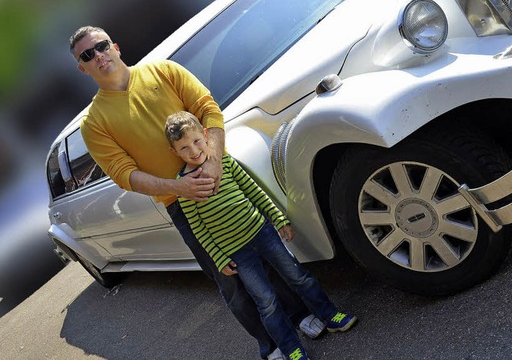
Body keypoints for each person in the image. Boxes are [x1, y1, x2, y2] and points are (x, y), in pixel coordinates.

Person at [70, 25, 323, 360]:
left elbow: (208, 109)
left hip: (225, 179)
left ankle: (300, 316)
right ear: (82, 68)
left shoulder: (164, 70)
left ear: (115, 46)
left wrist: (215, 161)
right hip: (184, 205)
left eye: (101, 46)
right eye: (87, 55)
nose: (98, 55)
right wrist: (180, 187)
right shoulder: (94, 122)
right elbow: (124, 174)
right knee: (230, 276)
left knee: (268, 253)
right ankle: (271, 345)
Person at [164, 111, 358, 360]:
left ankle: (329, 315)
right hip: (238, 254)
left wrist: (278, 219)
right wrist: (219, 258)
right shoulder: (185, 187)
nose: (193, 151)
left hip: (263, 233)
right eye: (184, 148)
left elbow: (254, 191)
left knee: (299, 276)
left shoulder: (224, 162)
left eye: (196, 141)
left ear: (205, 135)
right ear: (174, 152)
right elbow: (198, 228)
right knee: (267, 302)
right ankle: (292, 349)